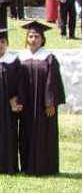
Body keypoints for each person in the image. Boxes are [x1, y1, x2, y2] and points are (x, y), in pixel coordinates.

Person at [18, 21, 65, 176]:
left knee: (44, 133)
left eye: (37, 36)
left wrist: (50, 102)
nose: (33, 39)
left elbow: (53, 82)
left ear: (42, 39)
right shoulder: (21, 57)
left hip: (44, 105)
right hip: (27, 105)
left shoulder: (49, 58)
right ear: (26, 39)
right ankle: (26, 166)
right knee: (26, 133)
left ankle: (46, 167)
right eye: (30, 36)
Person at [0, 28, 25, 174]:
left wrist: (17, 99)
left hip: (9, 106)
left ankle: (10, 166)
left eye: (2, 42)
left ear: (7, 43)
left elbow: (21, 82)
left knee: (9, 135)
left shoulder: (13, 60)